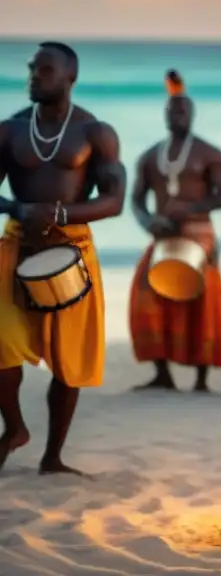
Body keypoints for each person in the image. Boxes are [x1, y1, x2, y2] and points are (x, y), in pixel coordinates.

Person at [0, 42, 125, 474]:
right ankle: (14, 429)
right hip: (17, 246)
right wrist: (17, 209)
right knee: (1, 341)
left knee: (69, 360)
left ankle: (53, 457)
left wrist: (58, 213)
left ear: (70, 77)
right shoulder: (10, 130)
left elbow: (115, 200)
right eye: (33, 68)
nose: (35, 75)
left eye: (46, 69)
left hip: (71, 248)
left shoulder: (95, 133)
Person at [128, 70, 221, 391]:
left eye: (184, 110)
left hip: (198, 234)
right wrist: (148, 221)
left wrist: (188, 209)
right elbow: (135, 199)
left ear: (192, 114)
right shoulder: (150, 156)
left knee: (201, 299)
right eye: (173, 110)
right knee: (146, 296)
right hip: (163, 236)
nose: (178, 115)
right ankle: (162, 373)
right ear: (165, 114)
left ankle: (201, 378)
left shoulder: (208, 153)